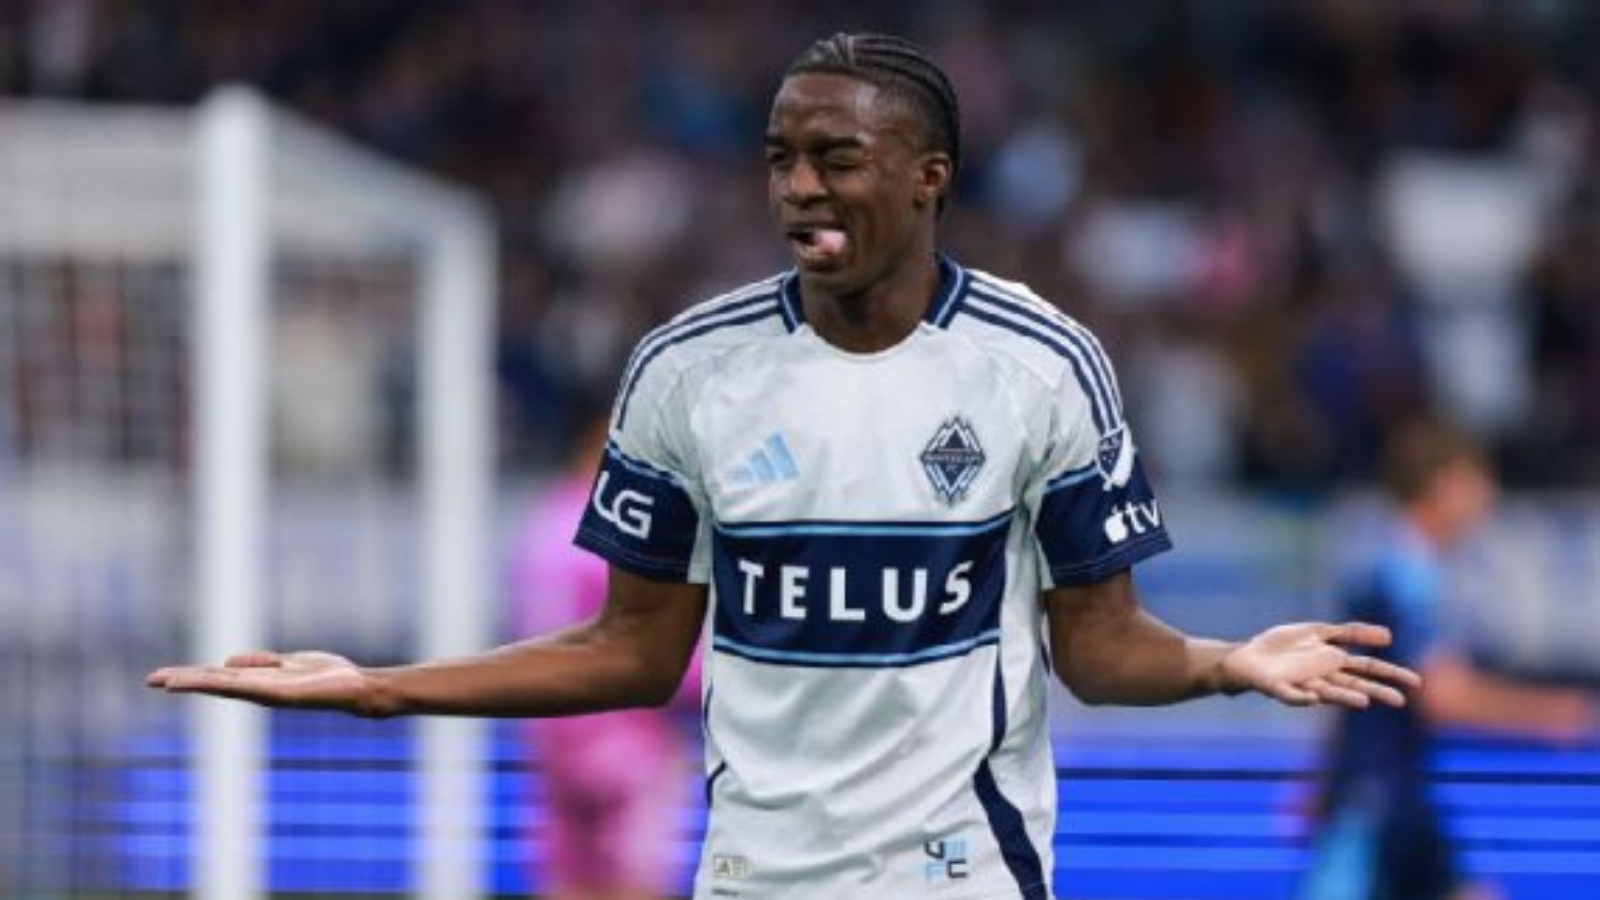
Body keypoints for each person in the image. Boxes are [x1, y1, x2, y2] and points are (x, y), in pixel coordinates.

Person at [149, 33, 1420, 899]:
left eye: (837, 159)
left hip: (961, 871)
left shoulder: (1042, 364)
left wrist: (1225, 664)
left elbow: (1096, 646)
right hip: (753, 875)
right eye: (780, 157)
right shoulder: (686, 372)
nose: (798, 187)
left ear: (929, 180)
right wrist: (378, 688)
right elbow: (629, 652)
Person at [1299, 423, 1595, 900]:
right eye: (1475, 480)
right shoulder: (1412, 579)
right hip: (1377, 802)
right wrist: (1550, 714)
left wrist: (1320, 775)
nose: (1488, 495)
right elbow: (1443, 694)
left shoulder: (1388, 564)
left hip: (1392, 794)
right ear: (1440, 486)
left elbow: (1343, 684)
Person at [507, 406, 698, 900]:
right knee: (633, 883)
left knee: (567, 882)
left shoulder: (544, 527)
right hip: (625, 743)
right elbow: (663, 650)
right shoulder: (621, 531)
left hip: (552, 739)